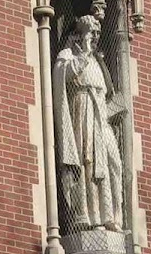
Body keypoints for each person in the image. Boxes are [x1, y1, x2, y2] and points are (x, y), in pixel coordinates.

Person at [53, 14, 125, 232]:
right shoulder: (69, 54)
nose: (95, 37)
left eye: (97, 33)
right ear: (80, 34)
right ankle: (93, 219)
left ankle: (113, 216)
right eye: (91, 32)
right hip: (83, 110)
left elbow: (109, 91)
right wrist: (83, 53)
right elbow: (62, 75)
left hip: (101, 115)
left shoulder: (98, 60)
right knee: (89, 162)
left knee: (115, 164)